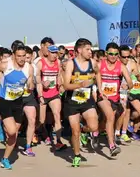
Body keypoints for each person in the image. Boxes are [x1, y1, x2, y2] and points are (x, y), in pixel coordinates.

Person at [62, 38, 100, 167]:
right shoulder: (71, 64)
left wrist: (99, 88)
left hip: (87, 99)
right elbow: (66, 85)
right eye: (87, 49)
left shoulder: (93, 62)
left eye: (91, 49)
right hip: (72, 101)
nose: (90, 52)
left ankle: (85, 132)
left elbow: (98, 73)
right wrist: (80, 84)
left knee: (94, 127)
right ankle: (77, 155)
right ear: (79, 50)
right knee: (75, 131)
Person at [0, 45, 32, 170]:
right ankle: (3, 124)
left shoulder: (29, 68)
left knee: (13, 134)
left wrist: (30, 85)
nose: (22, 59)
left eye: (24, 56)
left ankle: (5, 159)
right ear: (14, 56)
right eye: (19, 56)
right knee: (11, 131)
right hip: (4, 100)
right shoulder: (6, 65)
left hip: (18, 101)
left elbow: (30, 81)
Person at [96, 42, 132, 156]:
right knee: (110, 117)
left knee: (105, 122)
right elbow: (94, 80)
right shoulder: (100, 65)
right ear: (106, 54)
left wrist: (127, 86)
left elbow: (130, 83)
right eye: (111, 54)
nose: (113, 56)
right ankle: (112, 146)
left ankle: (95, 133)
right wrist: (100, 91)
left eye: (116, 54)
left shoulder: (121, 66)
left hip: (115, 98)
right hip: (102, 97)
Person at [36, 44, 64, 150]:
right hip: (43, 94)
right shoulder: (40, 63)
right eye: (52, 52)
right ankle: (37, 132)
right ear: (47, 52)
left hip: (54, 94)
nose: (54, 55)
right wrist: (42, 88)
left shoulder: (58, 62)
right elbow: (37, 80)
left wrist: (60, 83)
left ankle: (58, 141)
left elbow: (59, 76)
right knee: (41, 120)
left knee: (57, 116)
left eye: (56, 53)